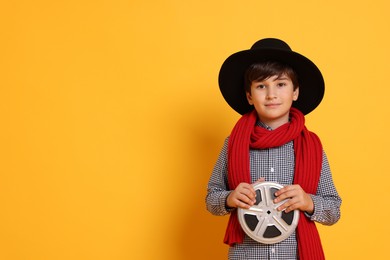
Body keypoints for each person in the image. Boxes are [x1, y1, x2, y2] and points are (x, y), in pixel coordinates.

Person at [206, 38, 341, 260]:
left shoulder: (312, 146)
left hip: (295, 254)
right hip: (247, 254)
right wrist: (230, 198)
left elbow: (333, 210)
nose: (271, 94)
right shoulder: (232, 143)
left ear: (295, 92)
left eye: (280, 84)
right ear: (249, 96)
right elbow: (212, 199)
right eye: (261, 86)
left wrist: (308, 201)